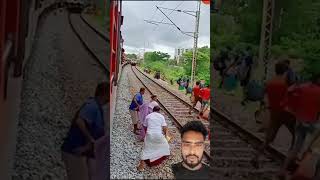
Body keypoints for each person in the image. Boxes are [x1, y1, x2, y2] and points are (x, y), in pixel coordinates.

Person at [252, 62, 296, 167]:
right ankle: (290, 160)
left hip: (274, 112)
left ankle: (256, 156)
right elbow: (288, 99)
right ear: (285, 71)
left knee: (269, 138)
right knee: (296, 136)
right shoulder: (285, 84)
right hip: (285, 113)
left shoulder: (269, 82)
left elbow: (263, 95)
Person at [61, 82, 109, 180]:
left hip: (80, 151)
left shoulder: (98, 108)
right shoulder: (92, 106)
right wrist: (90, 139)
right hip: (74, 150)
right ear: (104, 94)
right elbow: (79, 121)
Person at [279, 73, 320, 179]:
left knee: (295, 148)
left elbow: (289, 91)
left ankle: (282, 170)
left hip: (299, 121)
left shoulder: (302, 87)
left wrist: (293, 108)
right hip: (312, 124)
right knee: (312, 150)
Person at [137, 106, 170, 171]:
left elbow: (144, 126)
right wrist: (166, 135)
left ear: (153, 110)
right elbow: (164, 128)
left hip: (149, 134)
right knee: (165, 145)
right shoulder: (161, 116)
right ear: (159, 111)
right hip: (158, 135)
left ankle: (141, 166)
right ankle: (157, 159)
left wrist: (148, 133)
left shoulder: (148, 116)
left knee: (146, 149)